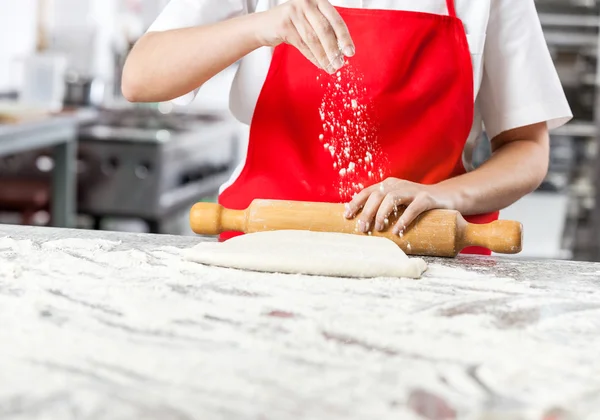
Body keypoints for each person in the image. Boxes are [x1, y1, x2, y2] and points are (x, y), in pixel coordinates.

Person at [122, 0, 572, 255]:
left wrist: (444, 197)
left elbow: (527, 147)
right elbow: (141, 76)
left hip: (427, 259)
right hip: (268, 255)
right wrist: (260, 26)